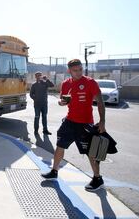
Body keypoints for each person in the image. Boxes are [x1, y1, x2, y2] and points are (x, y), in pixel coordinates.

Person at [41, 59, 106, 192]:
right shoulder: (66, 84)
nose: (79, 73)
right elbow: (61, 99)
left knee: (90, 152)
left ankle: (97, 178)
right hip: (69, 122)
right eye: (75, 70)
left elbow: (100, 102)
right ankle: (54, 171)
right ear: (69, 71)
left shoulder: (90, 82)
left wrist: (102, 121)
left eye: (80, 69)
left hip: (85, 123)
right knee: (60, 146)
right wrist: (61, 102)